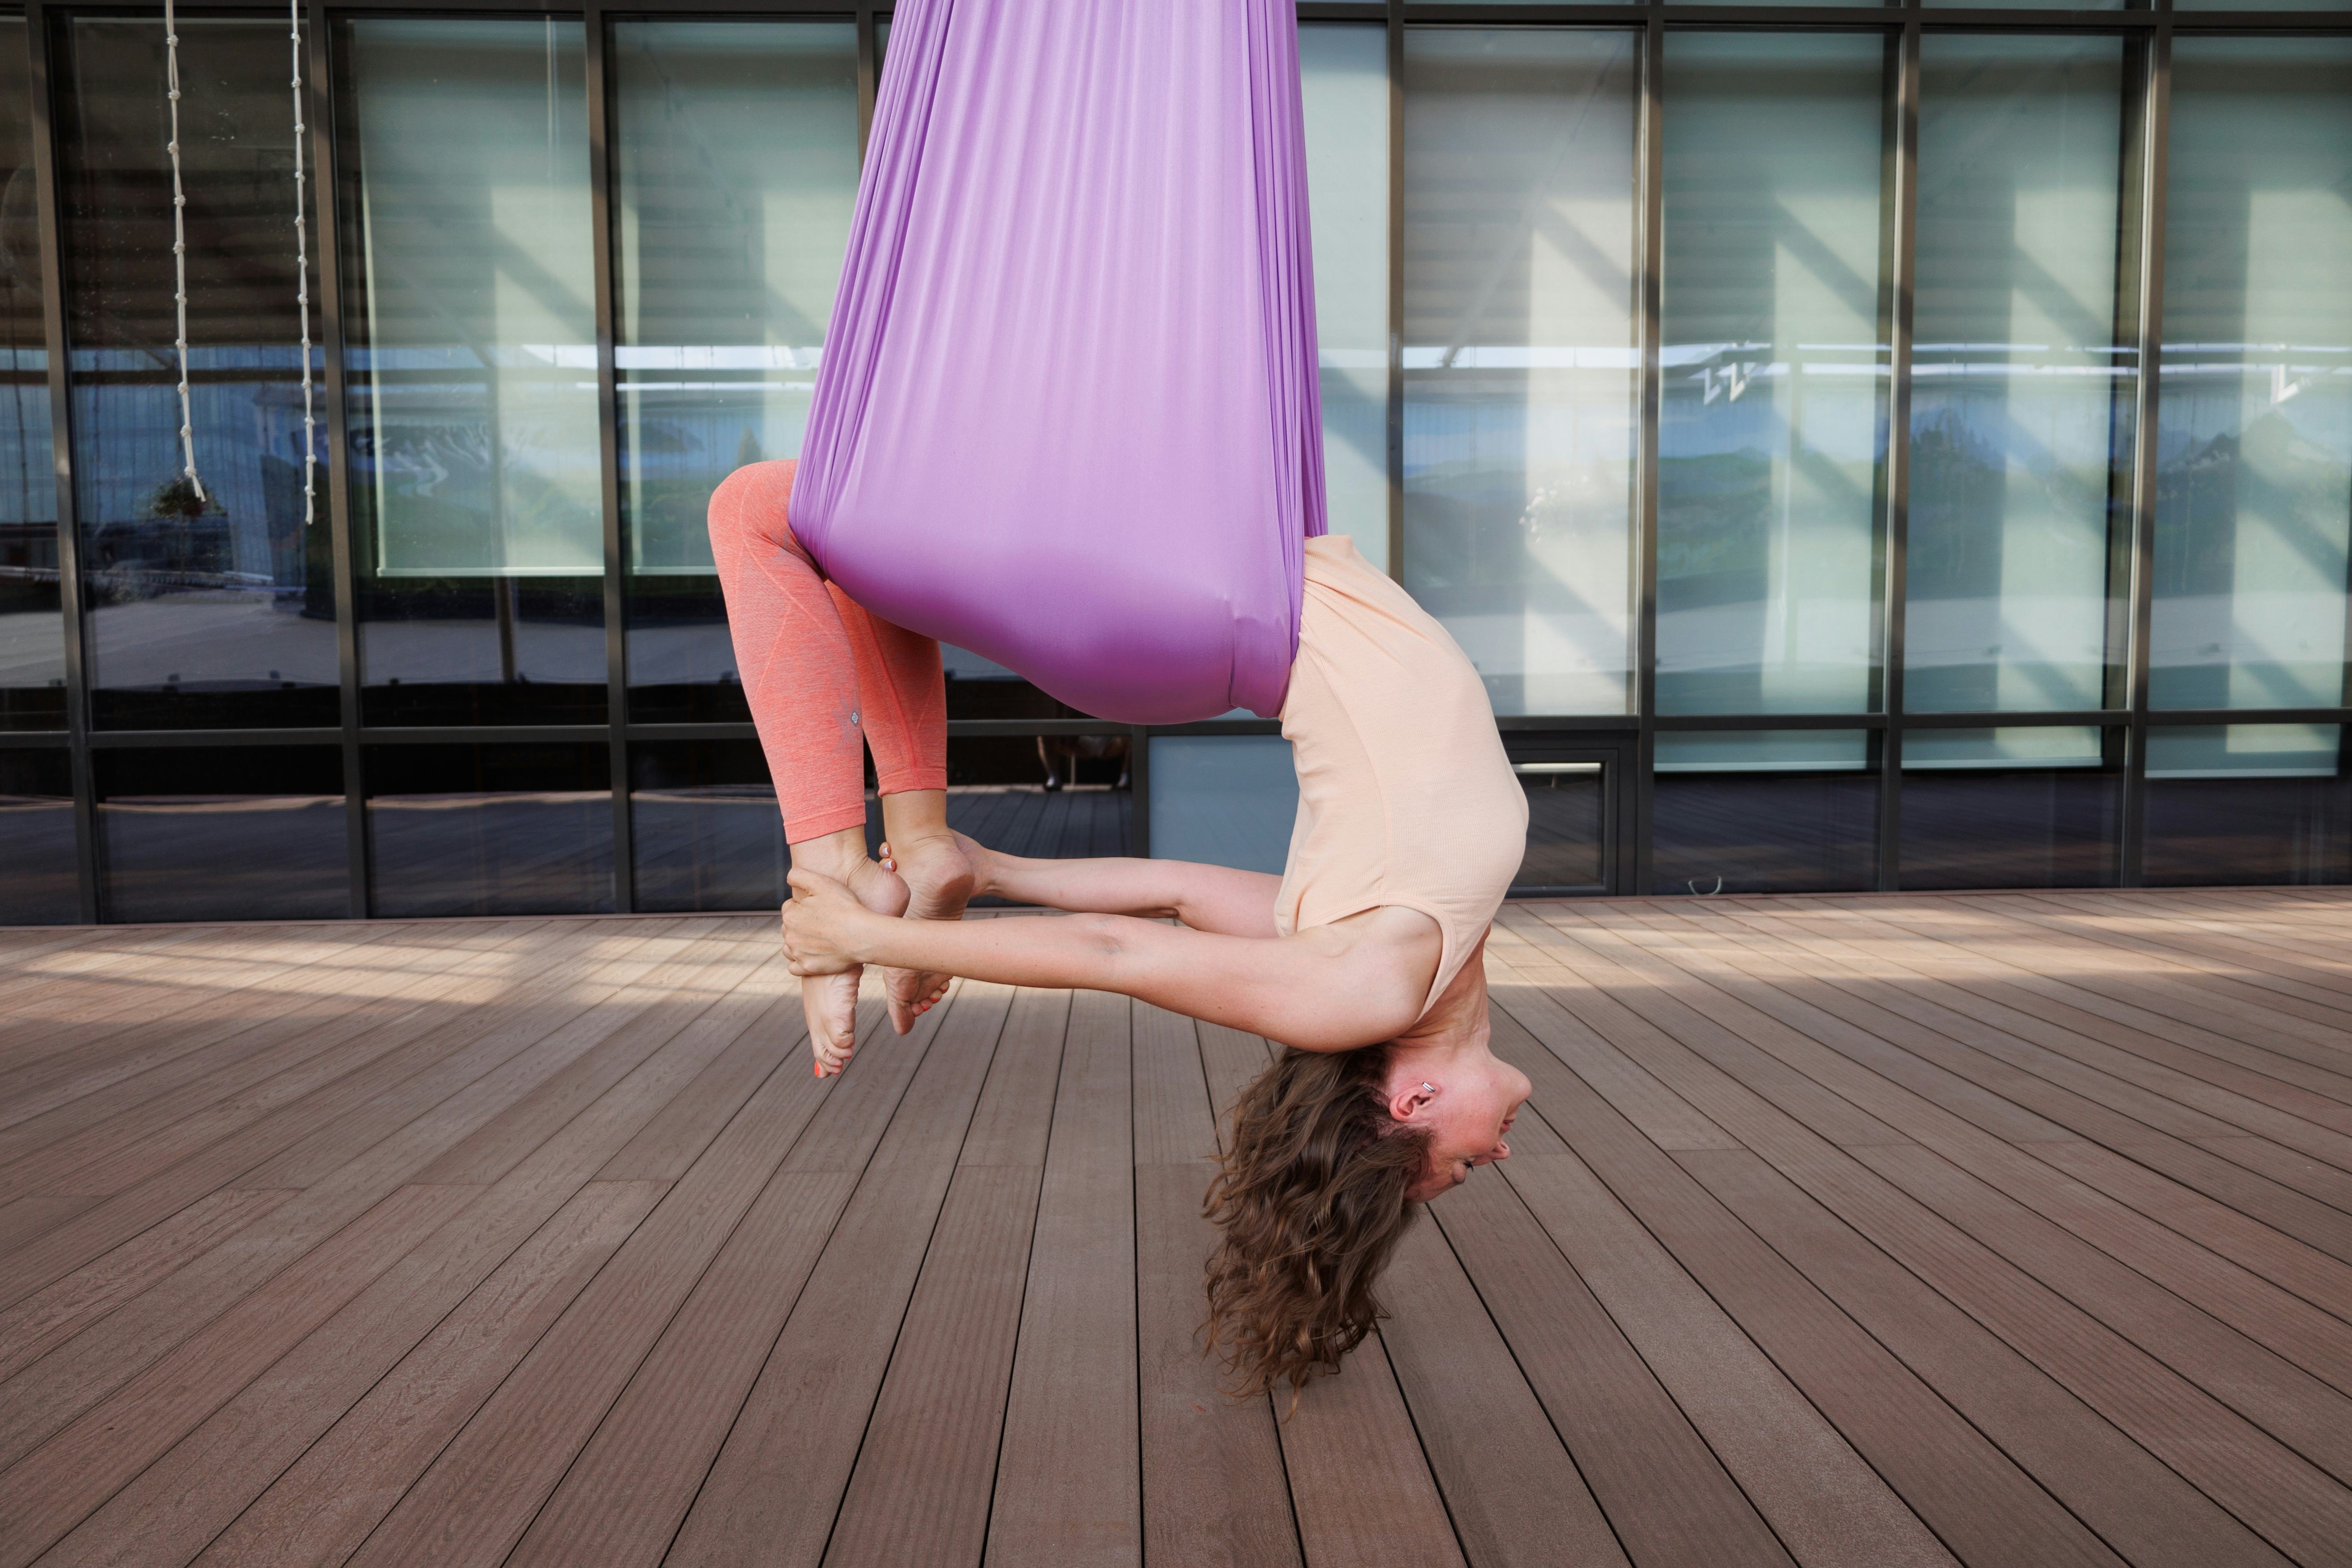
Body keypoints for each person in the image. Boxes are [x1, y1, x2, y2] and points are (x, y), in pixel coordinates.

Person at [709, 457, 1533, 1399]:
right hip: (1231, 595)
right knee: (863, 540)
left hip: (1203, 612)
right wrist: (995, 869)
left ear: (1413, 1104)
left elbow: (1117, 949)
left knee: (764, 510)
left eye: (1468, 1163)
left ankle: (828, 878)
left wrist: (867, 940)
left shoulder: (1366, 989)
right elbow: (1175, 890)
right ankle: (928, 850)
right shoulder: (1417, 955)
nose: (1500, 1151)